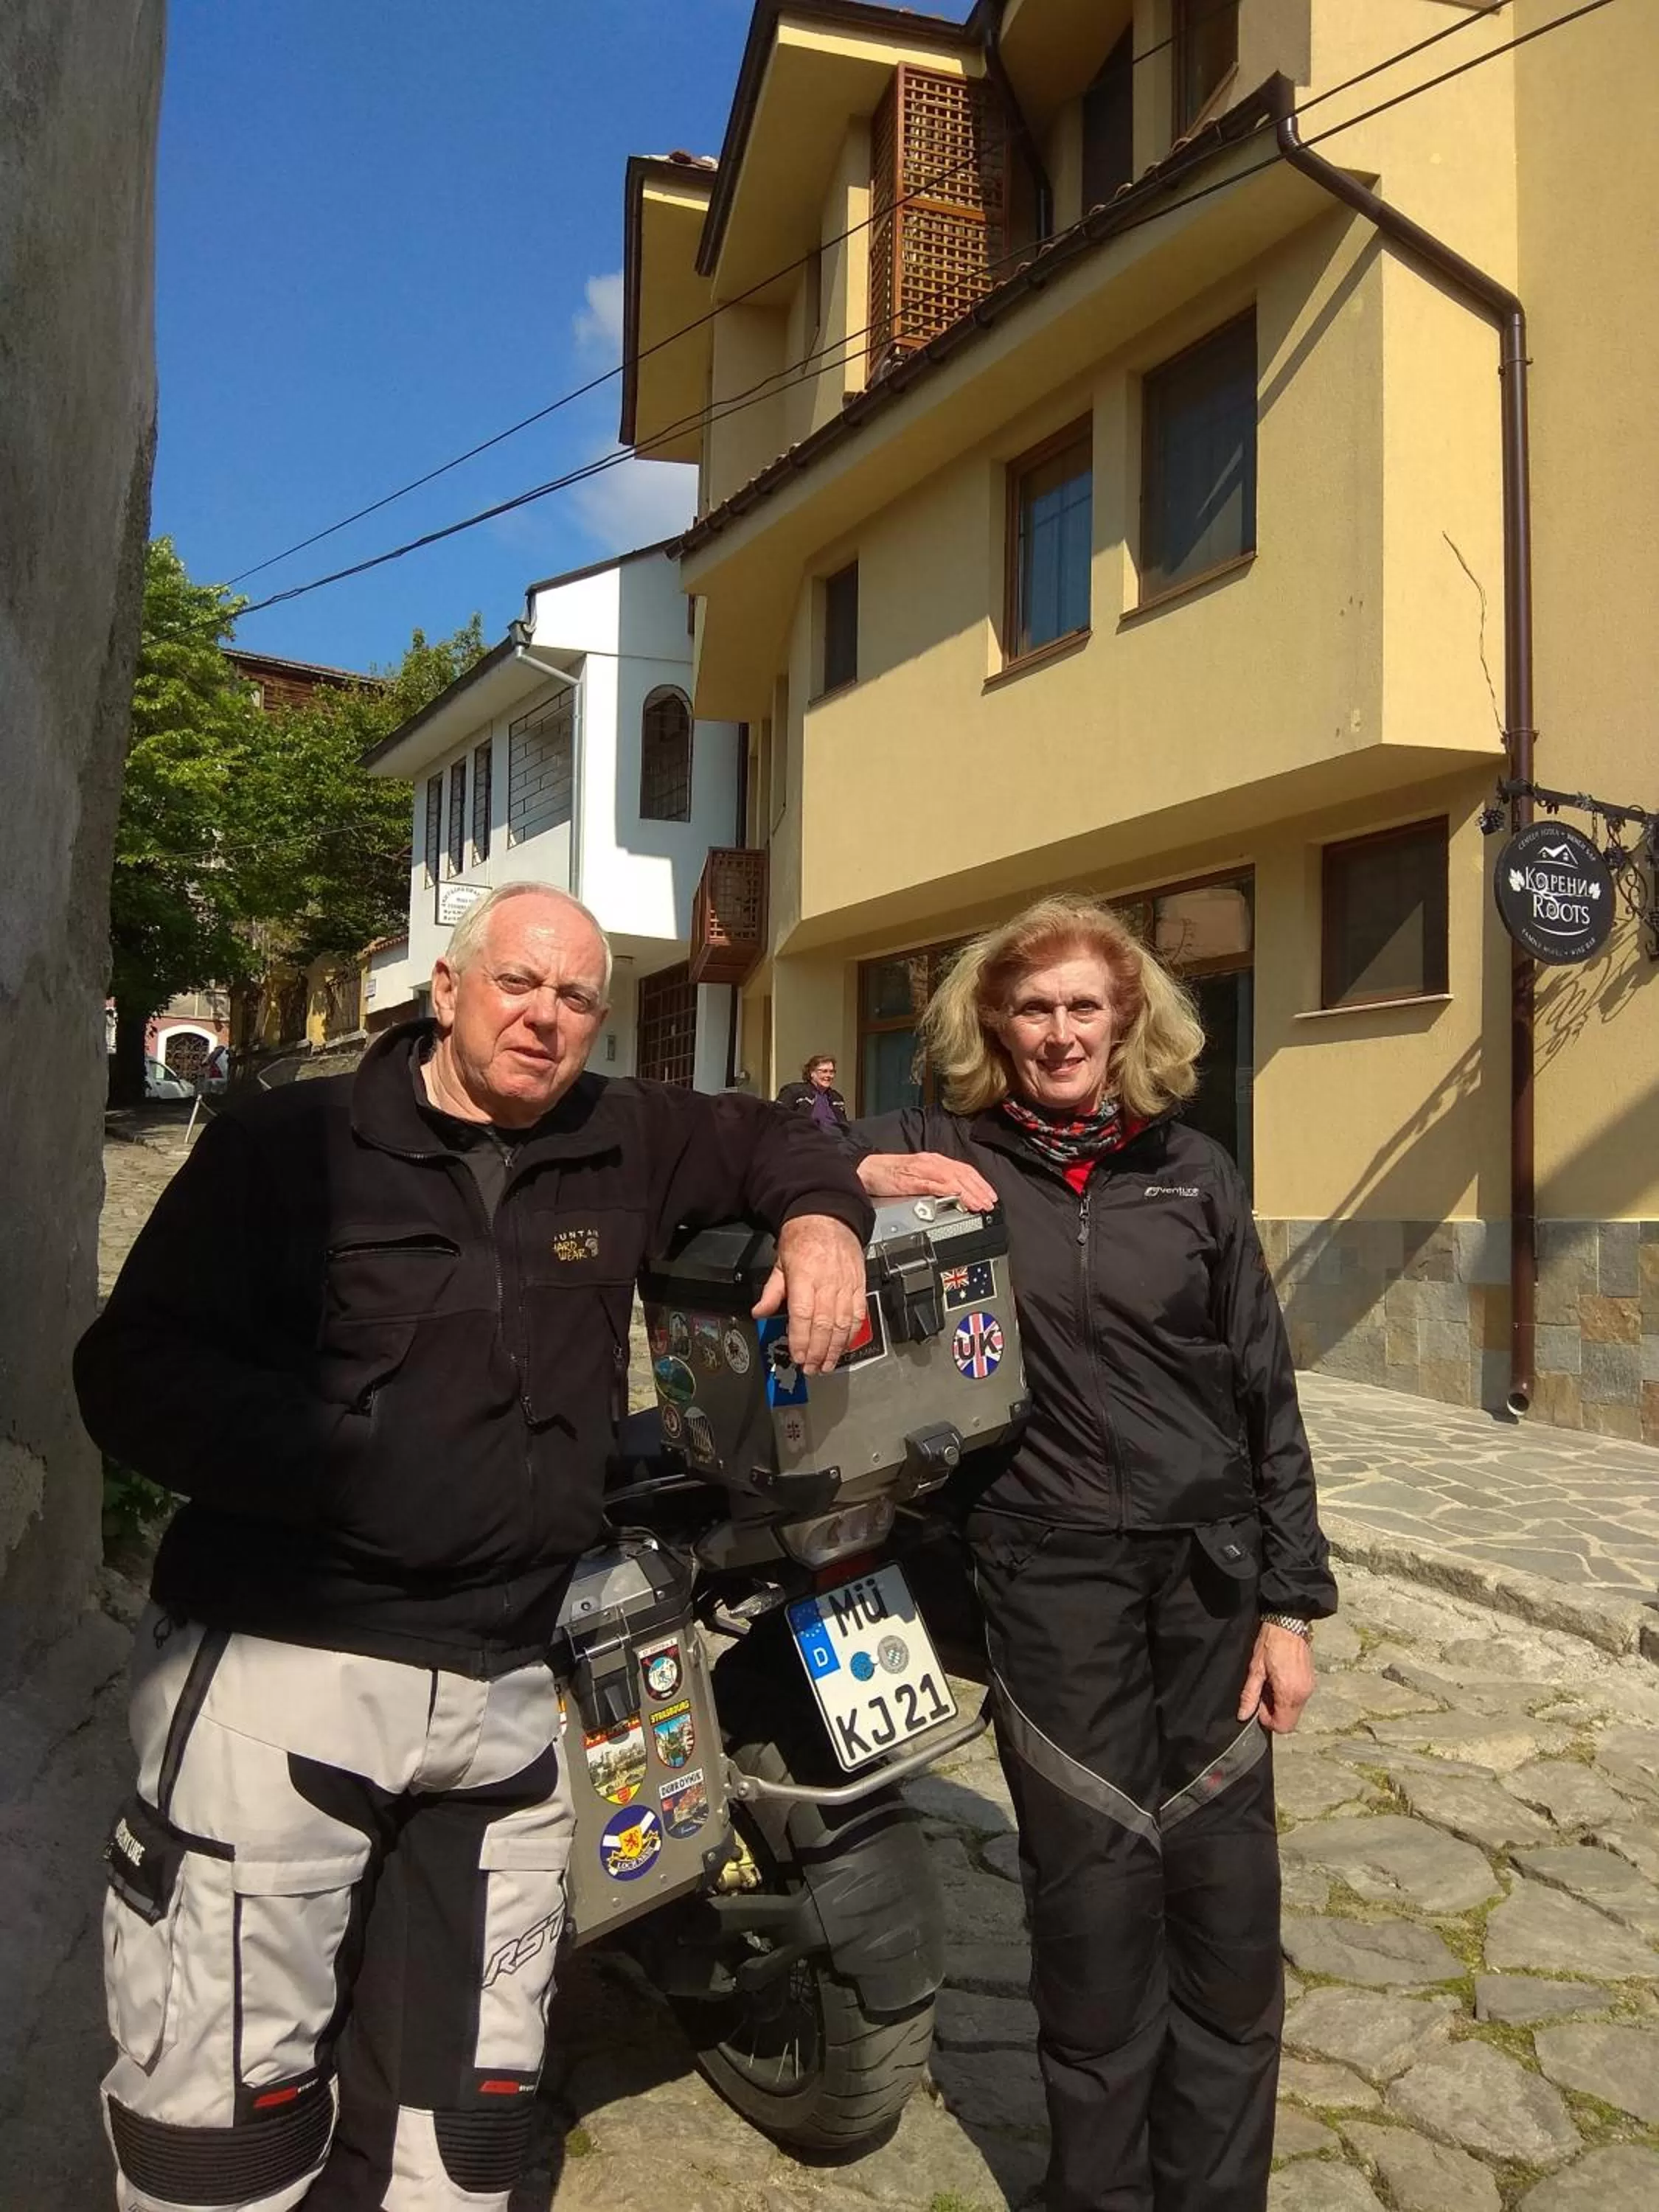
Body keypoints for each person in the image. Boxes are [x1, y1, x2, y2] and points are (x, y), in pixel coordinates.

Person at [75, 882, 871, 2212]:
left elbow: (779, 1132)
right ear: (444, 992)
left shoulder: (622, 1133)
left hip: (505, 1692)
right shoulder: (288, 1143)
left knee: (462, 2132)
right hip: (287, 1674)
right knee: (220, 2121)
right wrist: (353, 1462)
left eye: (575, 1000)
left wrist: (824, 1214)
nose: (545, 1019)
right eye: (518, 984)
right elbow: (130, 1374)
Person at [854, 893, 1335, 2212]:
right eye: (1033, 1007)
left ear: (1127, 1018)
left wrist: (1291, 1607)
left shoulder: (1193, 1169)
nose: (1061, 1032)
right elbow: (760, 1156)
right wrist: (863, 1176)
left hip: (1211, 1582)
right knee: (1092, 1909)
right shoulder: (947, 1149)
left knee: (1229, 1918)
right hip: (1047, 1575)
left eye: (1085, 1005)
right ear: (991, 1025)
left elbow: (1263, 1387)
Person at [776, 1053, 849, 1135]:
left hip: (836, 1142)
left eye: (832, 1072)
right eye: (824, 1071)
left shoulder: (836, 1098)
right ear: (812, 1073)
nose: (828, 1075)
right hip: (806, 1140)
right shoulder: (794, 1091)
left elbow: (844, 1126)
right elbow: (778, 1118)